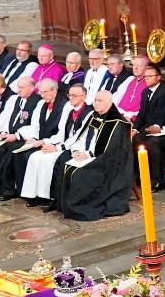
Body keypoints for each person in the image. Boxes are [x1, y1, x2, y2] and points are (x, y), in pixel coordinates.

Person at [55, 89, 134, 221]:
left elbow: (113, 152)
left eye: (100, 101)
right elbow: (82, 136)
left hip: (106, 162)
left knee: (80, 174)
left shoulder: (117, 123)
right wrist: (77, 151)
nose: (96, 103)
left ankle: (77, 207)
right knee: (64, 163)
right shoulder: (94, 115)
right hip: (88, 155)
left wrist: (89, 155)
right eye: (95, 100)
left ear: (110, 103)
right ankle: (64, 206)